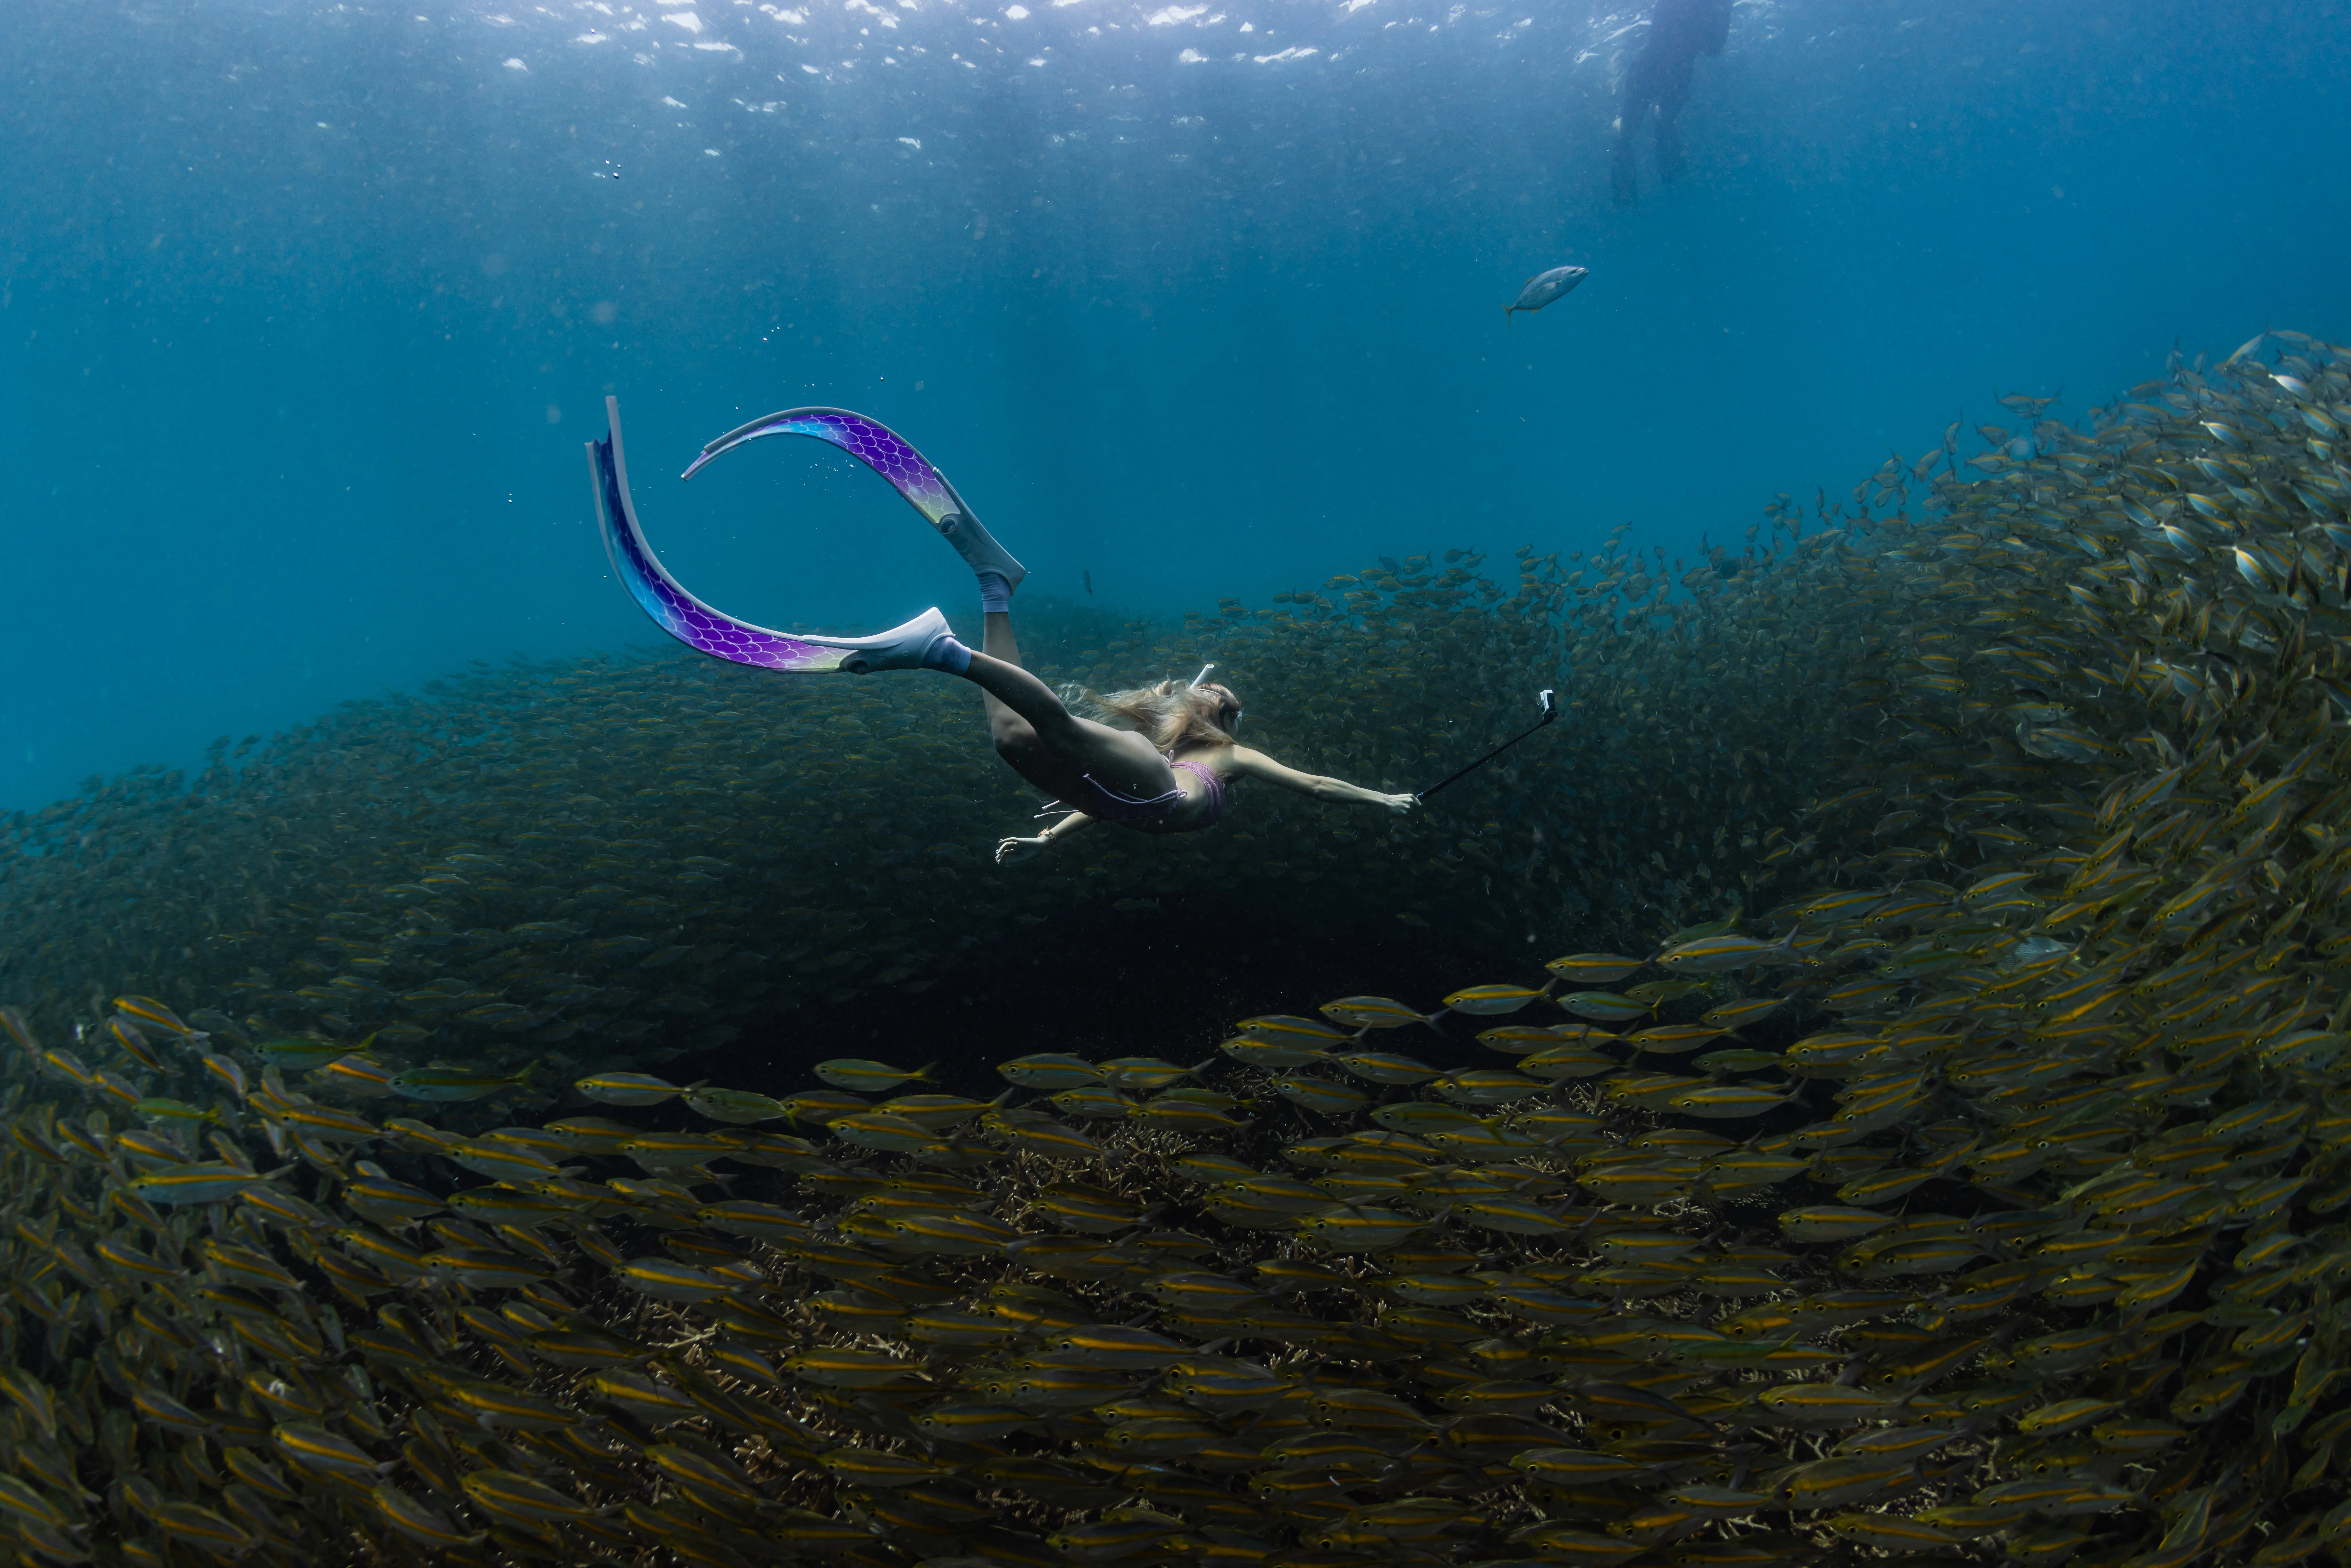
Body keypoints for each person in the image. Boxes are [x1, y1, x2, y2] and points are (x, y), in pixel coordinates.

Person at [807, 581, 1419, 864]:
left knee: (1011, 739)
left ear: (1224, 716)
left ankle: (996, 593)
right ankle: (944, 650)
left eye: (1220, 694)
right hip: (1152, 790)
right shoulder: (1174, 755)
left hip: (1124, 802)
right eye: (1206, 687)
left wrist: (1382, 798)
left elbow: (1314, 784)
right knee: (1061, 729)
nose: (1210, 692)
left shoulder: (1231, 754)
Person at [1610, 0, 1732, 208]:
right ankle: (1631, 147)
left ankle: (1656, 146)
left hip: (1662, 69)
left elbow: (1712, 48)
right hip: (1663, 70)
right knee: (1629, 130)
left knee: (1643, 125)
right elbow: (1713, 48)